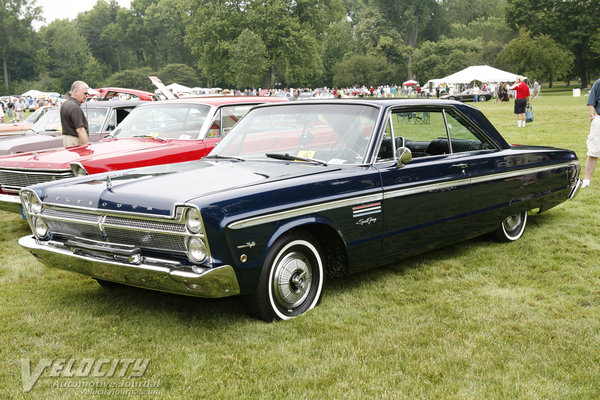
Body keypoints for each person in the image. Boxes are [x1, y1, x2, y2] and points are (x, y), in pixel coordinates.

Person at [582, 77, 600, 188]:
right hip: (599, 120)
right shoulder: (599, 83)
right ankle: (586, 180)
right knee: (594, 151)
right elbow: (591, 102)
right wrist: (593, 117)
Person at [60, 81, 90, 147]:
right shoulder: (74, 107)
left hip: (68, 140)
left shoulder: (66, 104)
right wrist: (86, 145)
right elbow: (80, 129)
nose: (87, 95)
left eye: (87, 93)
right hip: (75, 141)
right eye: (85, 93)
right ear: (75, 92)